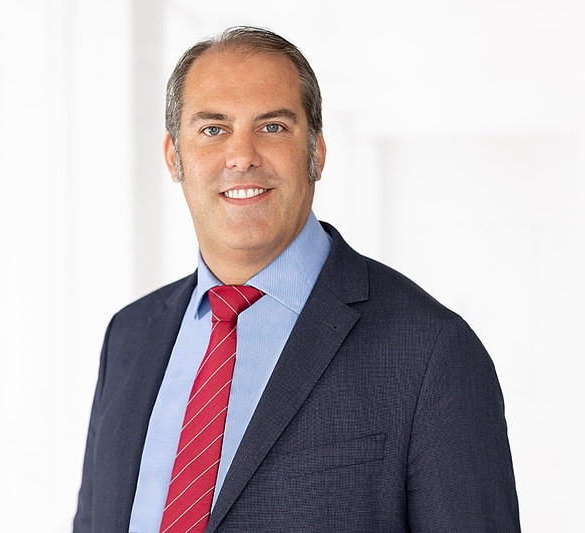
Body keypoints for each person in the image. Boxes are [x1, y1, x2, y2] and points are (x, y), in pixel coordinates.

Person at [73, 26, 520, 533]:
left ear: (317, 153)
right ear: (174, 157)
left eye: (272, 127)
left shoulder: (431, 352)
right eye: (213, 129)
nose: (242, 156)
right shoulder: (129, 336)